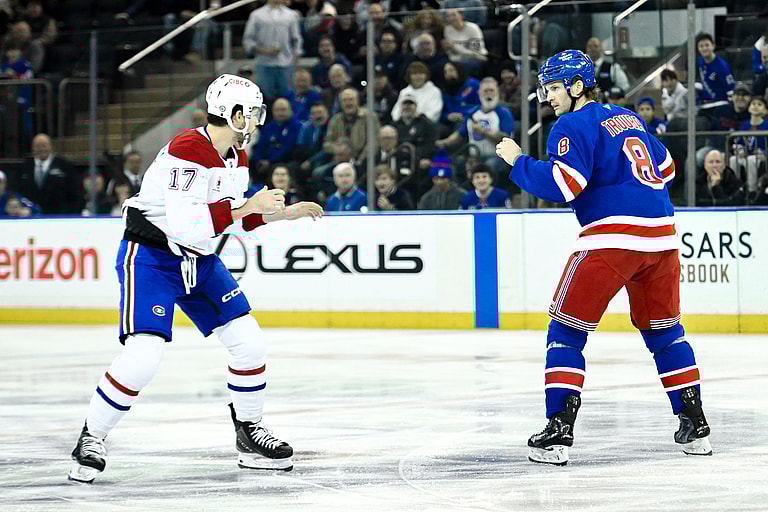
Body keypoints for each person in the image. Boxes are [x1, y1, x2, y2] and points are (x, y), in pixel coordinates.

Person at [67, 74, 323, 484]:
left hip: (199, 260)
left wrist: (282, 214)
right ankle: (91, 437)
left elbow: (231, 215)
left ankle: (249, 433)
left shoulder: (235, 157)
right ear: (233, 114)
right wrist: (247, 208)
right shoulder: (187, 151)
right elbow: (190, 224)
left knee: (249, 342)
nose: (257, 120)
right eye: (252, 113)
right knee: (144, 355)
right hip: (151, 258)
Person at [495, 50, 712, 466]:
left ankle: (558, 430)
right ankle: (695, 425)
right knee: (666, 333)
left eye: (554, 88)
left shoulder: (570, 124)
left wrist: (517, 161)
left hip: (612, 238)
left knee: (566, 331)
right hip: (662, 239)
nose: (548, 97)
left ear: (577, 86)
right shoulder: (629, 117)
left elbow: (564, 184)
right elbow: (667, 167)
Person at [242, 0, 303, 99]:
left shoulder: (291, 15)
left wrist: (295, 59)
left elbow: (296, 39)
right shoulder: (256, 15)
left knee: (287, 98)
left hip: (286, 64)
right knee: (264, 98)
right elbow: (248, 40)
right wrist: (264, 50)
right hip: (264, 64)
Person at [696, 33, 735, 130]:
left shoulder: (722, 66)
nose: (704, 48)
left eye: (707, 45)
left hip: (721, 104)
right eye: (701, 46)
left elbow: (730, 89)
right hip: (705, 105)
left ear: (713, 46)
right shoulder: (700, 61)